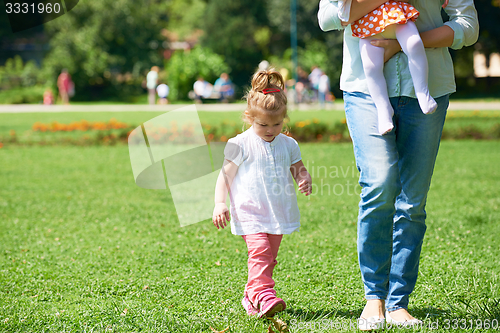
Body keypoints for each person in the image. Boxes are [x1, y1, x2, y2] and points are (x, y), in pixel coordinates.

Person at [318, 0, 478, 330]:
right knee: (379, 182)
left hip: (429, 86)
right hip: (364, 88)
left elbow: (468, 24)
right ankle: (374, 298)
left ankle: (397, 303)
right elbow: (326, 17)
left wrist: (402, 42)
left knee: (412, 202)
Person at [212, 69, 312, 319]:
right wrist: (219, 203)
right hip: (250, 211)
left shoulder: (288, 144)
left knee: (269, 258)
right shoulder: (240, 144)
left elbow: (298, 169)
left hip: (277, 211)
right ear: (249, 118)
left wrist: (303, 179)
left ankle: (251, 295)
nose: (270, 129)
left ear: (284, 118)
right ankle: (265, 294)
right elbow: (225, 176)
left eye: (276, 124)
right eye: (263, 124)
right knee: (261, 253)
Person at [338, 0, 444, 135]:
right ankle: (383, 109)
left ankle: (423, 92)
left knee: (414, 44)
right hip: (368, 22)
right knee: (370, 67)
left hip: (395, 14)